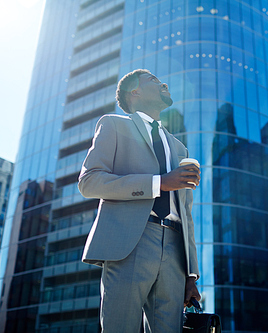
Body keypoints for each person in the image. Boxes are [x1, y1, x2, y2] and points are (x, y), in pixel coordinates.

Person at [78, 69, 201, 332]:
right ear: (135, 92)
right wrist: (159, 183)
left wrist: (191, 273)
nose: (164, 83)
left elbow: (186, 213)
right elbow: (89, 182)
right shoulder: (113, 124)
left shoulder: (180, 149)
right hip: (130, 241)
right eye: (154, 81)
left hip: (175, 251)